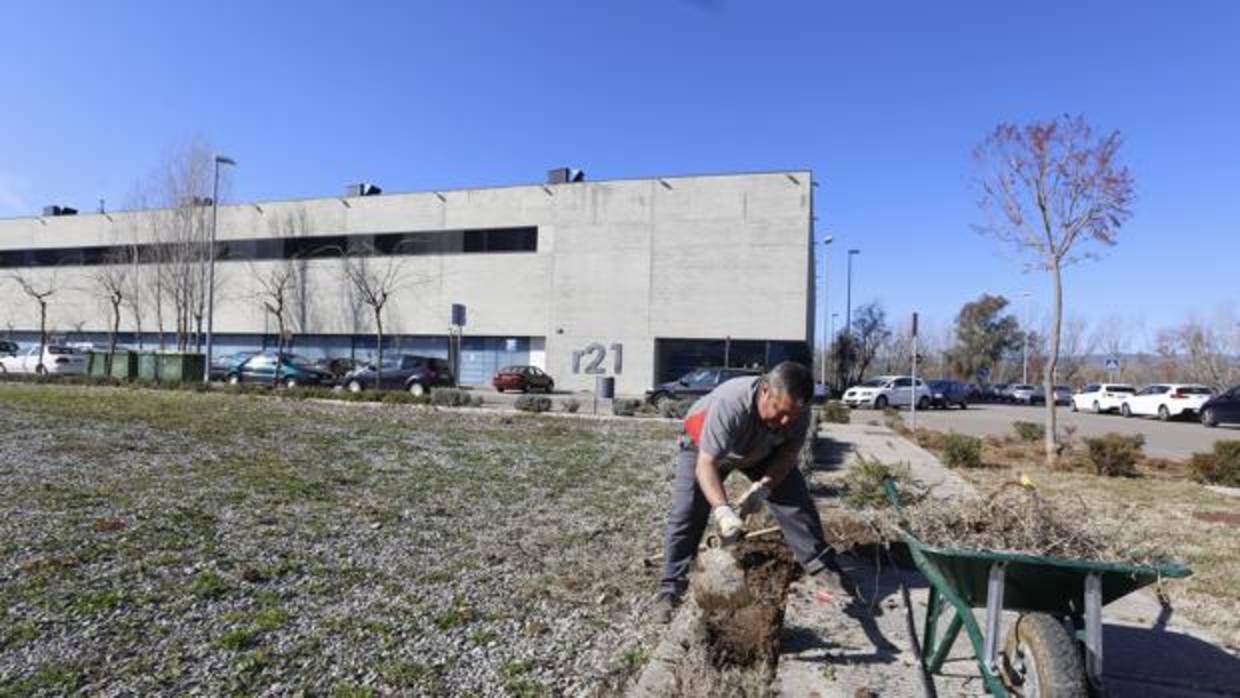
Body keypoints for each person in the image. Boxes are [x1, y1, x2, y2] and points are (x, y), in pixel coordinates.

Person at [653, 360, 852, 622]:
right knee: (688, 511)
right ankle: (670, 588)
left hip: (759, 450)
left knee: (795, 501)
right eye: (779, 411)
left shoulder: (798, 412)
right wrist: (723, 511)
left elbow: (788, 455)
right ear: (765, 390)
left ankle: (822, 566)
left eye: (791, 416)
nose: (784, 421)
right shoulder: (730, 404)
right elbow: (706, 465)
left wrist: (764, 488)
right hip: (703, 444)